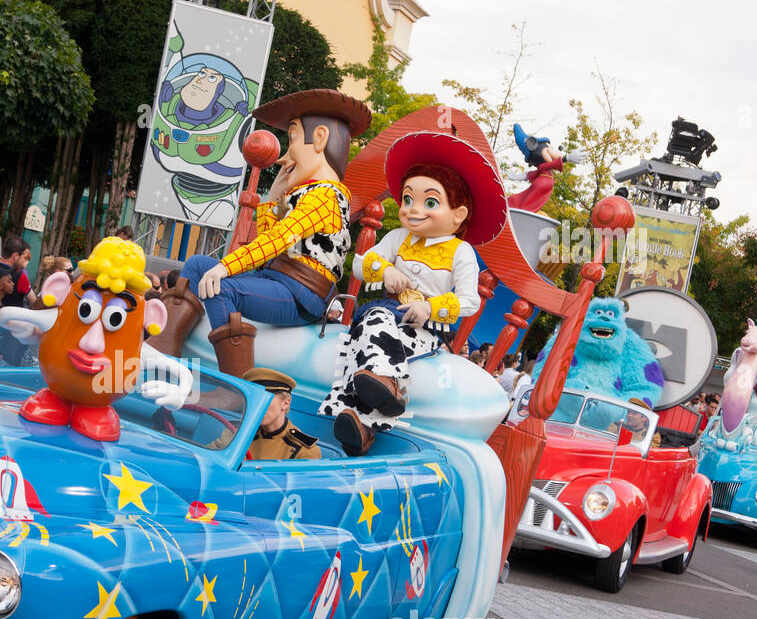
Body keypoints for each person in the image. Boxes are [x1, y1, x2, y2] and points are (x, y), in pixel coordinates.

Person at [153, 89, 372, 377]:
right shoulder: (306, 193)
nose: (286, 153)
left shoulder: (326, 196)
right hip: (276, 278)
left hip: (302, 292)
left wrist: (225, 267)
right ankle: (163, 349)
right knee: (196, 266)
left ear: (319, 138)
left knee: (221, 288)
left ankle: (235, 384)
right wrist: (272, 199)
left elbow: (277, 240)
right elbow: (267, 244)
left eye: (292, 138)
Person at [322, 131, 508, 456]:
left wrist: (431, 308)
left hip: (422, 327)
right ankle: (387, 388)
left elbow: (470, 300)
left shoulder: (459, 251)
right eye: (408, 199)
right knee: (372, 322)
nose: (412, 209)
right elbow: (360, 265)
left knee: (372, 336)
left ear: (459, 214)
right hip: (385, 311)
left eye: (430, 202)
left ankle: (362, 415)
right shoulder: (397, 237)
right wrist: (386, 270)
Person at [242, 367, 321, 460]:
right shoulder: (240, 434)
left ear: (285, 403)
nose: (258, 405)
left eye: (266, 399)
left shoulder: (305, 451)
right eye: (254, 399)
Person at [0, 236, 33, 309]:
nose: (26, 262)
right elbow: (34, 302)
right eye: (24, 257)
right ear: (16, 256)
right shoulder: (20, 275)